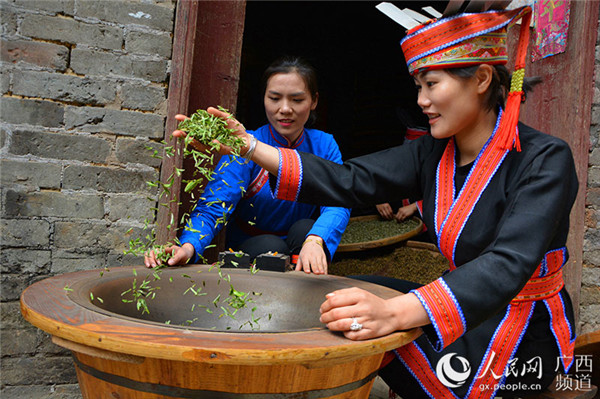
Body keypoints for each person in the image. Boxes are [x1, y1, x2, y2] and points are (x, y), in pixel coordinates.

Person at [180, 5, 579, 398]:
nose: (421, 100)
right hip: (456, 303)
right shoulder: (432, 153)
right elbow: (349, 181)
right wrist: (248, 146)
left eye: (431, 84)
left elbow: (507, 263)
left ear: (481, 78)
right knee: (327, 301)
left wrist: (394, 312)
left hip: (523, 331)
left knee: (370, 322)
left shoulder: (545, 159)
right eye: (418, 86)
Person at [145, 57, 350, 275]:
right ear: (264, 98)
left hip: (299, 240)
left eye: (297, 100)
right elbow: (215, 205)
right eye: (274, 98)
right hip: (253, 243)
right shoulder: (243, 143)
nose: (285, 109)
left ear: (314, 101)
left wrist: (317, 238)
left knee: (306, 230)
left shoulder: (324, 145)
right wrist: (188, 246)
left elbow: (338, 201)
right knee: (271, 248)